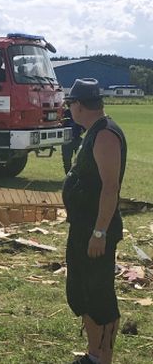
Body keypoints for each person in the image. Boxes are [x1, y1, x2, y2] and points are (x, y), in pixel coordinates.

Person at [62, 79, 127, 364]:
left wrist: (99, 232)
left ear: (78, 105)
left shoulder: (105, 135)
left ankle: (104, 358)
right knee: (81, 292)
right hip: (82, 228)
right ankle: (92, 354)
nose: (69, 110)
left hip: (96, 231)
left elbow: (110, 188)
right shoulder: (91, 132)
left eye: (70, 105)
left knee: (99, 295)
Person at [61, 105, 85, 174]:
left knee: (81, 159)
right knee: (66, 160)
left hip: (77, 138)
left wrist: (83, 130)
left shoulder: (80, 113)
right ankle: (68, 175)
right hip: (67, 140)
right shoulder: (66, 113)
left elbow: (84, 123)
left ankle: (79, 175)